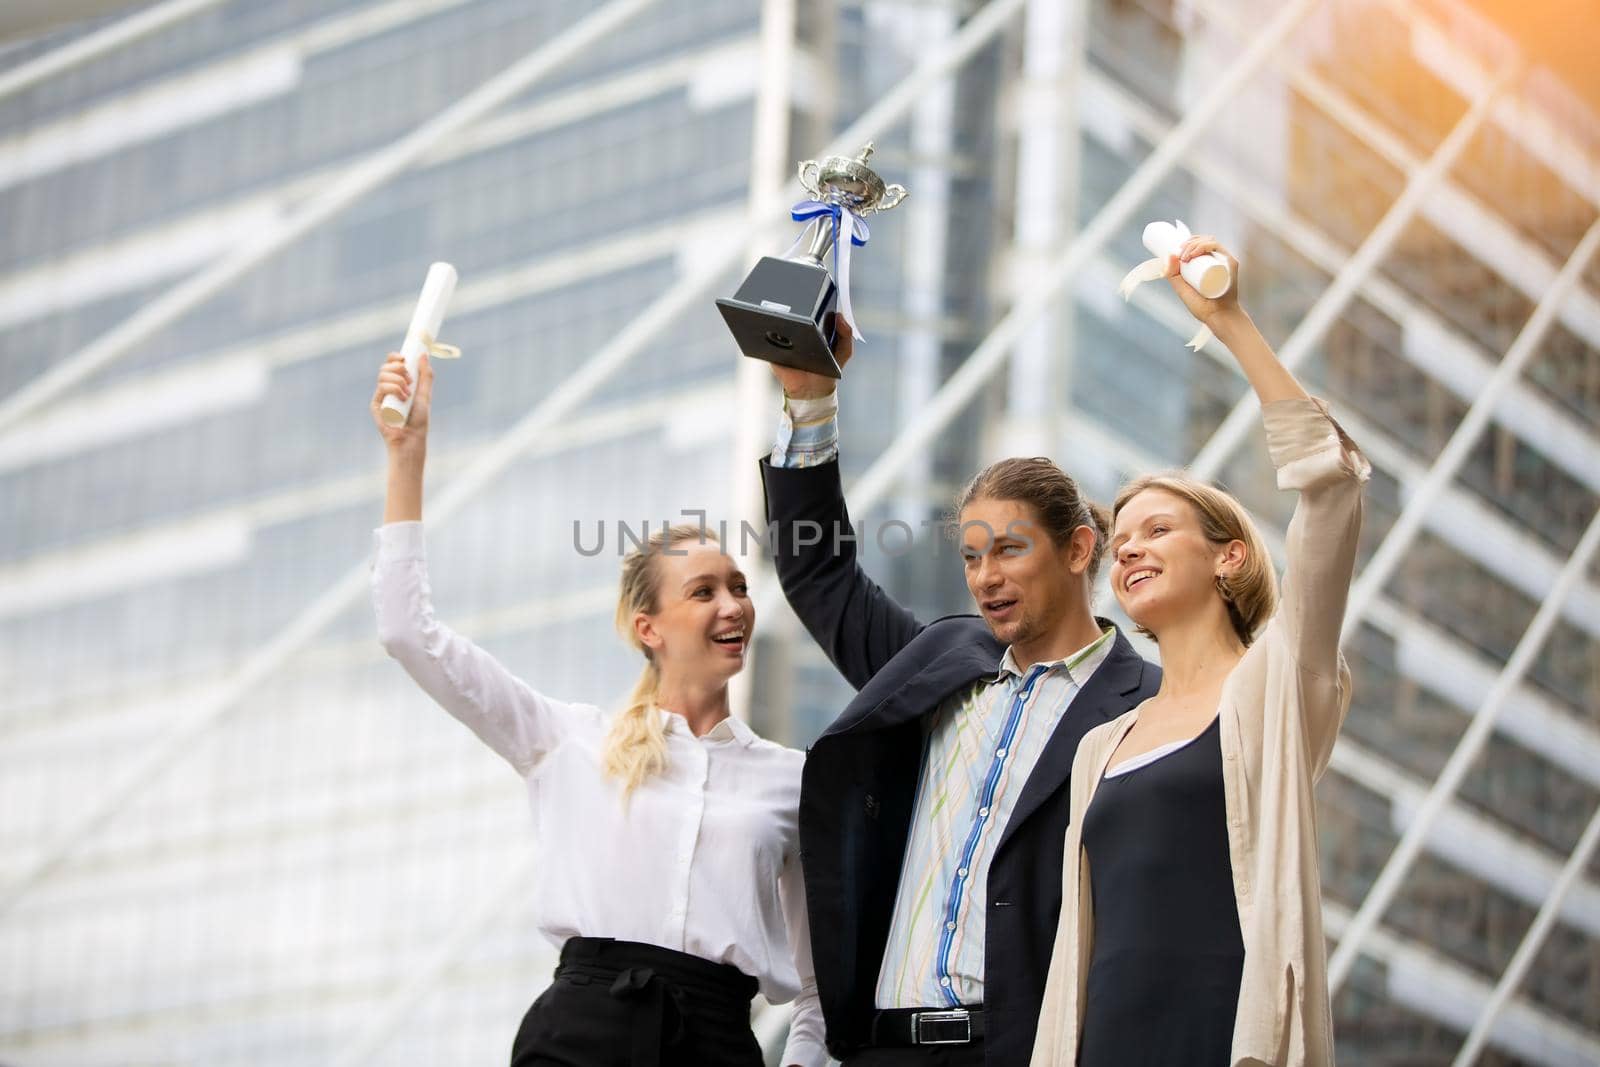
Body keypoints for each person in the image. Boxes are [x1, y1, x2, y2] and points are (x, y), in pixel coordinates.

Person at [368, 350, 825, 1067]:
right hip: (580, 1031)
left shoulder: (791, 779)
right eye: (703, 591)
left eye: (738, 586)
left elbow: (819, 990)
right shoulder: (566, 738)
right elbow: (407, 631)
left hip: (715, 1040)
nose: (733, 603)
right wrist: (407, 455)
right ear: (649, 628)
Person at [758, 324, 1161, 1065]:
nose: (984, 577)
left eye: (1009, 549)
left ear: (1078, 549)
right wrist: (810, 401)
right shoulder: (939, 661)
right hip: (880, 1047)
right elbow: (819, 574)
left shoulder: (1151, 707)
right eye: (973, 556)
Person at [1029, 236, 1369, 1067]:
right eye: (1122, 538)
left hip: (1226, 1042)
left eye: (1159, 529)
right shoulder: (1098, 748)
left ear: (1231, 556)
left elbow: (1333, 490)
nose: (1130, 548)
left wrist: (1229, 322)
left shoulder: (1280, 683)